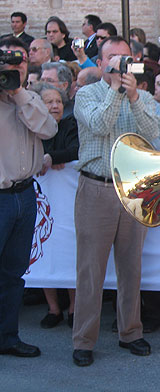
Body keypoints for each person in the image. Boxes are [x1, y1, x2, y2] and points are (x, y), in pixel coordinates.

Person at [72, 36, 160, 367]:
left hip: (132, 189)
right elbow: (99, 124)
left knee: (131, 266)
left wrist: (135, 95)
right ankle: (83, 340)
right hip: (96, 188)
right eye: (113, 58)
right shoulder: (87, 94)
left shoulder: (145, 97)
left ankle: (131, 332)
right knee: (90, 270)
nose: (121, 64)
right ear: (100, 62)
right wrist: (115, 89)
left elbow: (153, 133)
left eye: (126, 58)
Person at [0, 36, 57, 358]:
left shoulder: (28, 97)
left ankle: (7, 336)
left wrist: (18, 92)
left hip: (24, 195)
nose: (15, 67)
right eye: (8, 62)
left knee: (13, 273)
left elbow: (47, 130)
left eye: (20, 62)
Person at [32, 82, 79, 329]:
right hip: (42, 204)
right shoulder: (32, 128)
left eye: (58, 101)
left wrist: (55, 158)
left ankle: (73, 308)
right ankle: (53, 308)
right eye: (49, 101)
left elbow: (74, 149)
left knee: (68, 252)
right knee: (44, 251)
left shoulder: (71, 124)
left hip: (67, 206)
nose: (54, 105)